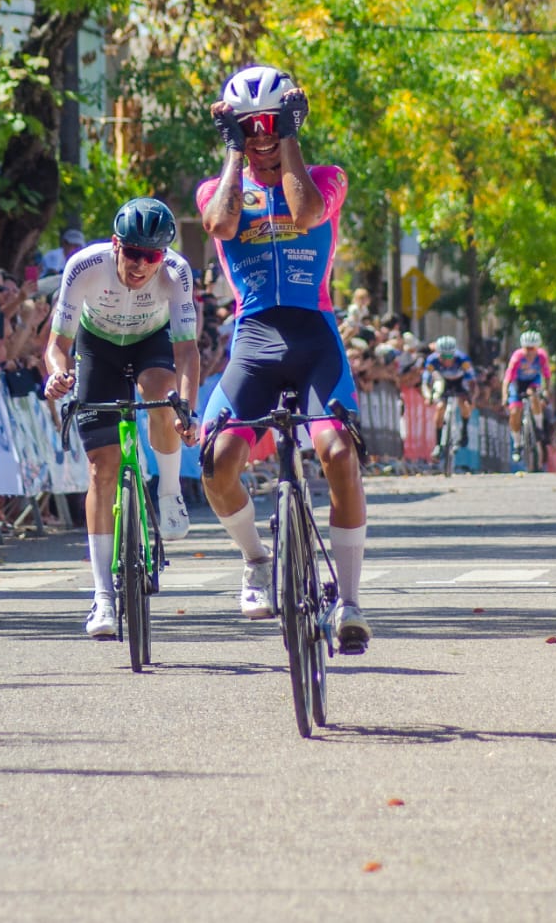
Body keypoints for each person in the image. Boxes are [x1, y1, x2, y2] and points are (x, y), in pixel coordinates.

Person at [196, 65, 370, 654]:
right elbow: (218, 223)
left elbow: (303, 215)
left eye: (275, 123)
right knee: (217, 463)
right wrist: (233, 155)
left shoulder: (326, 178)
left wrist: (288, 139)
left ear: (292, 122)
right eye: (251, 127)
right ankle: (254, 557)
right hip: (255, 340)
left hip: (313, 336)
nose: (263, 136)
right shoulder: (218, 189)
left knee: (339, 451)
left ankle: (347, 600)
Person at [42, 199, 201, 639]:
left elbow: (187, 351)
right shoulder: (84, 266)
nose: (141, 265)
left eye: (152, 257)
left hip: (151, 342)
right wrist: (58, 374)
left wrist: (185, 408)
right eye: (133, 254)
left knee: (159, 391)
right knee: (102, 467)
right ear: (116, 245)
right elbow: (57, 344)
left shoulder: (177, 272)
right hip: (98, 348)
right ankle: (103, 598)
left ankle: (168, 492)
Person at [420, 335, 476, 451]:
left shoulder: (463, 359)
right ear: (438, 354)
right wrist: (428, 396)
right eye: (443, 356)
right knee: (440, 407)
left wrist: (472, 397)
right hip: (443, 381)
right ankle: (437, 443)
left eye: (450, 356)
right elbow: (425, 382)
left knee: (465, 404)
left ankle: (464, 431)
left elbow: (472, 382)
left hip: (460, 381)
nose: (447, 360)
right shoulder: (432, 360)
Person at [502, 330, 552, 436]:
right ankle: (517, 444)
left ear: (537, 348)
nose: (529, 352)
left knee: (533, 395)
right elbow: (507, 378)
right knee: (515, 412)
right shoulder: (517, 357)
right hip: (517, 383)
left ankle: (539, 427)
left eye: (532, 348)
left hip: (533, 381)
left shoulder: (542, 356)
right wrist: (505, 395)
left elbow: (547, 376)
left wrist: (547, 391)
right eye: (526, 348)